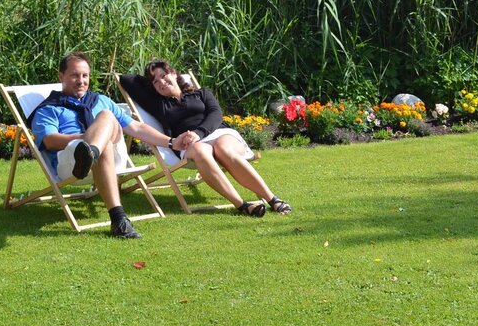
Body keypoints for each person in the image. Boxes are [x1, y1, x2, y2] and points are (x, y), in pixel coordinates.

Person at [30, 52, 189, 239]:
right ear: (61, 76)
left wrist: (171, 142)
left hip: (110, 158)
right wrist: (86, 137)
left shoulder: (101, 100)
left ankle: (92, 153)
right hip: (72, 163)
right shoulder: (49, 108)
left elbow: (137, 127)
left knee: (105, 117)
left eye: (85, 75)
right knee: (103, 132)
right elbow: (49, 140)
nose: (81, 81)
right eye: (74, 75)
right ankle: (118, 219)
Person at [119, 60, 292, 217]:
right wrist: (151, 79)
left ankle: (272, 199)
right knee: (201, 151)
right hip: (189, 144)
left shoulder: (202, 93)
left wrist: (199, 133)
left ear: (174, 73)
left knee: (224, 149)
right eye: (156, 82)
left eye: (164, 76)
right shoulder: (158, 104)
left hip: (219, 133)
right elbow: (126, 79)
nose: (162, 82)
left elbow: (216, 114)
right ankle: (242, 205)